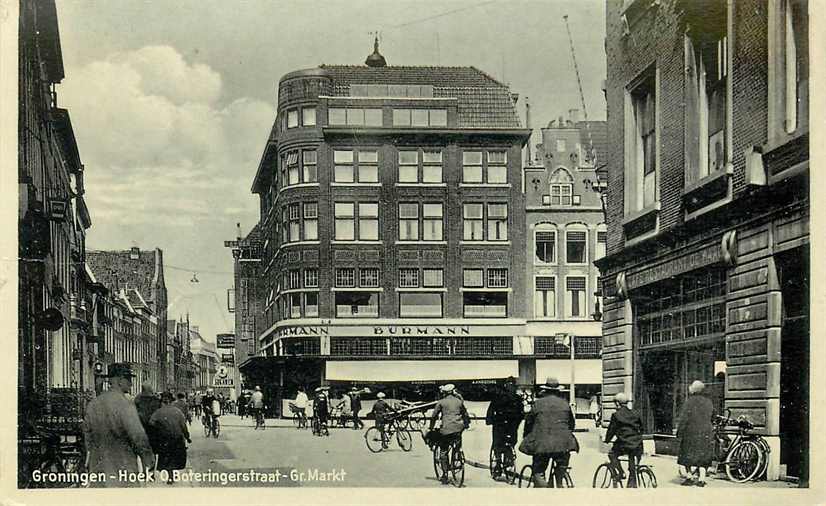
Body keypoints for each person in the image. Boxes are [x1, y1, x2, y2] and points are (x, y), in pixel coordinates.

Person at [82, 363, 155, 488]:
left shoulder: (93, 404)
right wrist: (148, 458)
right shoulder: (125, 404)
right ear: (120, 381)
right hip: (123, 468)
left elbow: (87, 435)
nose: (131, 384)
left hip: (98, 469)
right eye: (129, 380)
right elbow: (138, 436)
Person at [519, 377, 578, 488]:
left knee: (538, 470)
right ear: (558, 390)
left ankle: (543, 491)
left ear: (545, 390)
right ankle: (560, 482)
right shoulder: (565, 404)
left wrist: (527, 437)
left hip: (542, 444)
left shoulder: (538, 404)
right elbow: (572, 424)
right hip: (563, 444)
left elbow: (529, 424)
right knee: (561, 466)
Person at [429, 384, 471, 484]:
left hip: (446, 429)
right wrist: (466, 425)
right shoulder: (459, 401)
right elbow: (465, 414)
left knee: (443, 451)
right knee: (457, 443)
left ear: (444, 392)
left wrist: (431, 427)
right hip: (458, 428)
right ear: (453, 391)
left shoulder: (441, 402)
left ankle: (445, 474)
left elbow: (434, 416)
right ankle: (457, 455)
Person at [677, 380, 715, 487]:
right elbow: (713, 416)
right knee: (703, 456)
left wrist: (680, 432)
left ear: (694, 389)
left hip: (691, 432)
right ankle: (701, 479)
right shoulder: (709, 402)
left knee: (687, 455)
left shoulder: (689, 402)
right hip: (705, 432)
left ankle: (689, 477)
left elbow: (684, 418)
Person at [150, 392, 191, 484]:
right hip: (177, 439)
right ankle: (172, 476)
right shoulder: (178, 412)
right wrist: (187, 437)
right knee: (175, 457)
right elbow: (183, 426)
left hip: (164, 439)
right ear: (172, 401)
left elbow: (151, 423)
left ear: (162, 402)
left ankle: (170, 477)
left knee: (167, 458)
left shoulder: (158, 412)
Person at [486, 378, 524, 479]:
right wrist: (517, 422)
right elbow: (521, 413)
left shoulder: (498, 397)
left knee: (497, 444)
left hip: (499, 424)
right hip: (512, 425)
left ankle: (498, 463)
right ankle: (509, 458)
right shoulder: (517, 398)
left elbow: (491, 410)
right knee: (511, 441)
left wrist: (489, 421)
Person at [604, 392, 644, 487]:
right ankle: (632, 480)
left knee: (612, 454)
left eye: (615, 404)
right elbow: (641, 429)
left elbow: (611, 431)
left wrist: (606, 440)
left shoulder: (616, 415)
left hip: (624, 444)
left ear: (617, 403)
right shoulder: (635, 413)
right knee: (632, 459)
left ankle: (621, 473)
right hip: (638, 444)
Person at [134, 382, 162, 453]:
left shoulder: (137, 399)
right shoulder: (155, 400)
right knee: (152, 449)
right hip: (153, 427)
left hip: (141, 427)